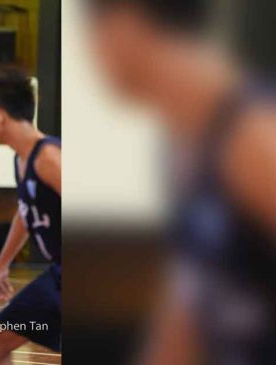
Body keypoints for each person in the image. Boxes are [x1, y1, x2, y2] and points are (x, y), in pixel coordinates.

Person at [85, 1, 276, 363]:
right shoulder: (180, 140)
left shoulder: (254, 136)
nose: (93, 53)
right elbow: (187, 310)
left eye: (95, 32)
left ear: (127, 22)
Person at [0, 70, 62, 364]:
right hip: (60, 275)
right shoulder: (22, 159)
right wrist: (1, 266)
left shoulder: (49, 157)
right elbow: (25, 215)